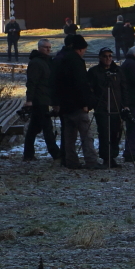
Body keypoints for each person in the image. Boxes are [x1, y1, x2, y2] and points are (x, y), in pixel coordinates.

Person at [52, 34, 102, 169]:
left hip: (64, 104)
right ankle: (91, 161)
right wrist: (87, 103)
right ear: (79, 49)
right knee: (86, 135)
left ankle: (71, 161)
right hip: (77, 104)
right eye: (84, 50)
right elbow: (81, 84)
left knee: (69, 136)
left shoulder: (58, 58)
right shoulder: (76, 61)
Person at [22, 38, 60, 161]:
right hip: (40, 99)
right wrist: (30, 100)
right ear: (39, 48)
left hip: (45, 98)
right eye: (45, 47)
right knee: (47, 128)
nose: (48, 49)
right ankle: (55, 153)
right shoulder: (37, 63)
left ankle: (28, 153)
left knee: (34, 128)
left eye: (49, 47)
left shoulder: (47, 61)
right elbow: (32, 82)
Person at [87, 48, 124, 167]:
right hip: (101, 107)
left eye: (110, 56)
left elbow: (124, 88)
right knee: (104, 133)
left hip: (116, 107)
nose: (108, 58)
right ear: (100, 57)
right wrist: (93, 103)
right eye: (105, 56)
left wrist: (125, 105)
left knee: (116, 133)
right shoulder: (94, 72)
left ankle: (113, 156)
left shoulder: (118, 71)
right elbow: (89, 89)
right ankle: (105, 157)